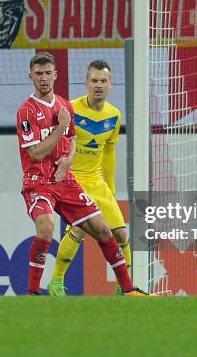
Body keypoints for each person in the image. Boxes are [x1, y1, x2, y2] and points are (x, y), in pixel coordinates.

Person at [16, 52, 151, 296]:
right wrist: (60, 127)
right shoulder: (27, 111)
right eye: (38, 74)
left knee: (105, 231)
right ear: (31, 77)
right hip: (39, 183)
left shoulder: (66, 106)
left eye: (48, 73)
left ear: (55, 75)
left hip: (68, 181)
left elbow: (72, 141)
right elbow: (35, 153)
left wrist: (67, 160)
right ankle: (35, 290)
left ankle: (128, 289)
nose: (44, 78)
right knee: (47, 227)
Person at [46, 60, 128, 296]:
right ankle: (56, 281)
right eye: (94, 81)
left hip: (97, 181)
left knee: (121, 235)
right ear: (86, 83)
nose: (98, 85)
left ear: (111, 84)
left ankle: (124, 287)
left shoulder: (114, 115)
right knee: (80, 229)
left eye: (103, 81)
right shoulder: (69, 108)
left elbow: (109, 152)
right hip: (73, 180)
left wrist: (110, 187)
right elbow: (56, 141)